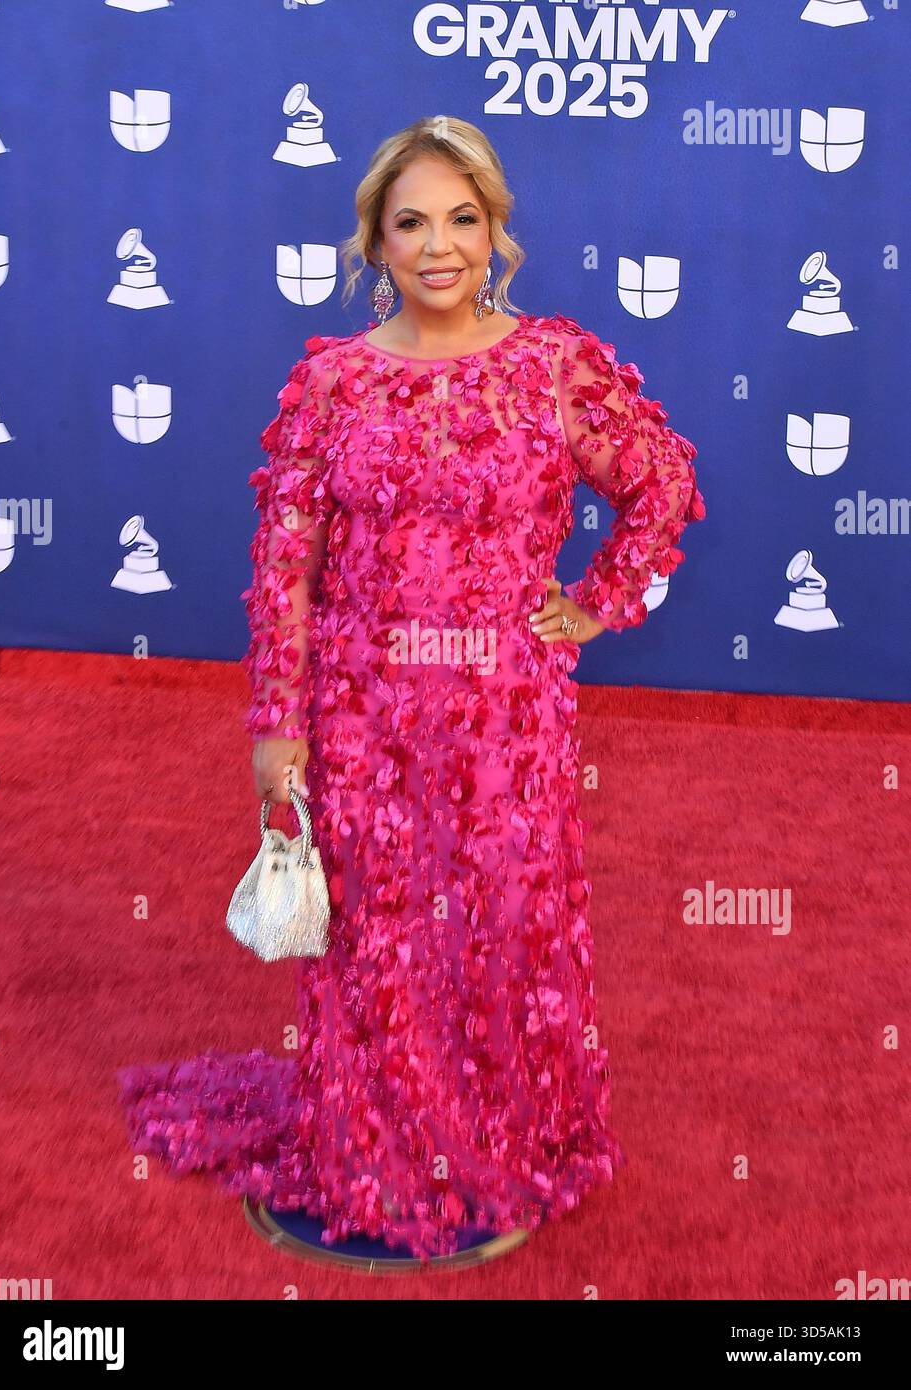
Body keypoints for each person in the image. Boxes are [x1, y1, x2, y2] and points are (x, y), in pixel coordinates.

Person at [117, 115, 706, 1263]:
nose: (439, 245)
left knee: (498, 931)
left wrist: (590, 604)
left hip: (503, 718)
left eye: (461, 220)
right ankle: (369, 1148)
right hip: (360, 712)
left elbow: (663, 482)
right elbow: (282, 568)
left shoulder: (551, 367)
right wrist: (275, 724)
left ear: (494, 232)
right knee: (377, 943)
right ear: (373, 245)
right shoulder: (331, 384)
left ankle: (496, 1145)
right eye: (411, 224)